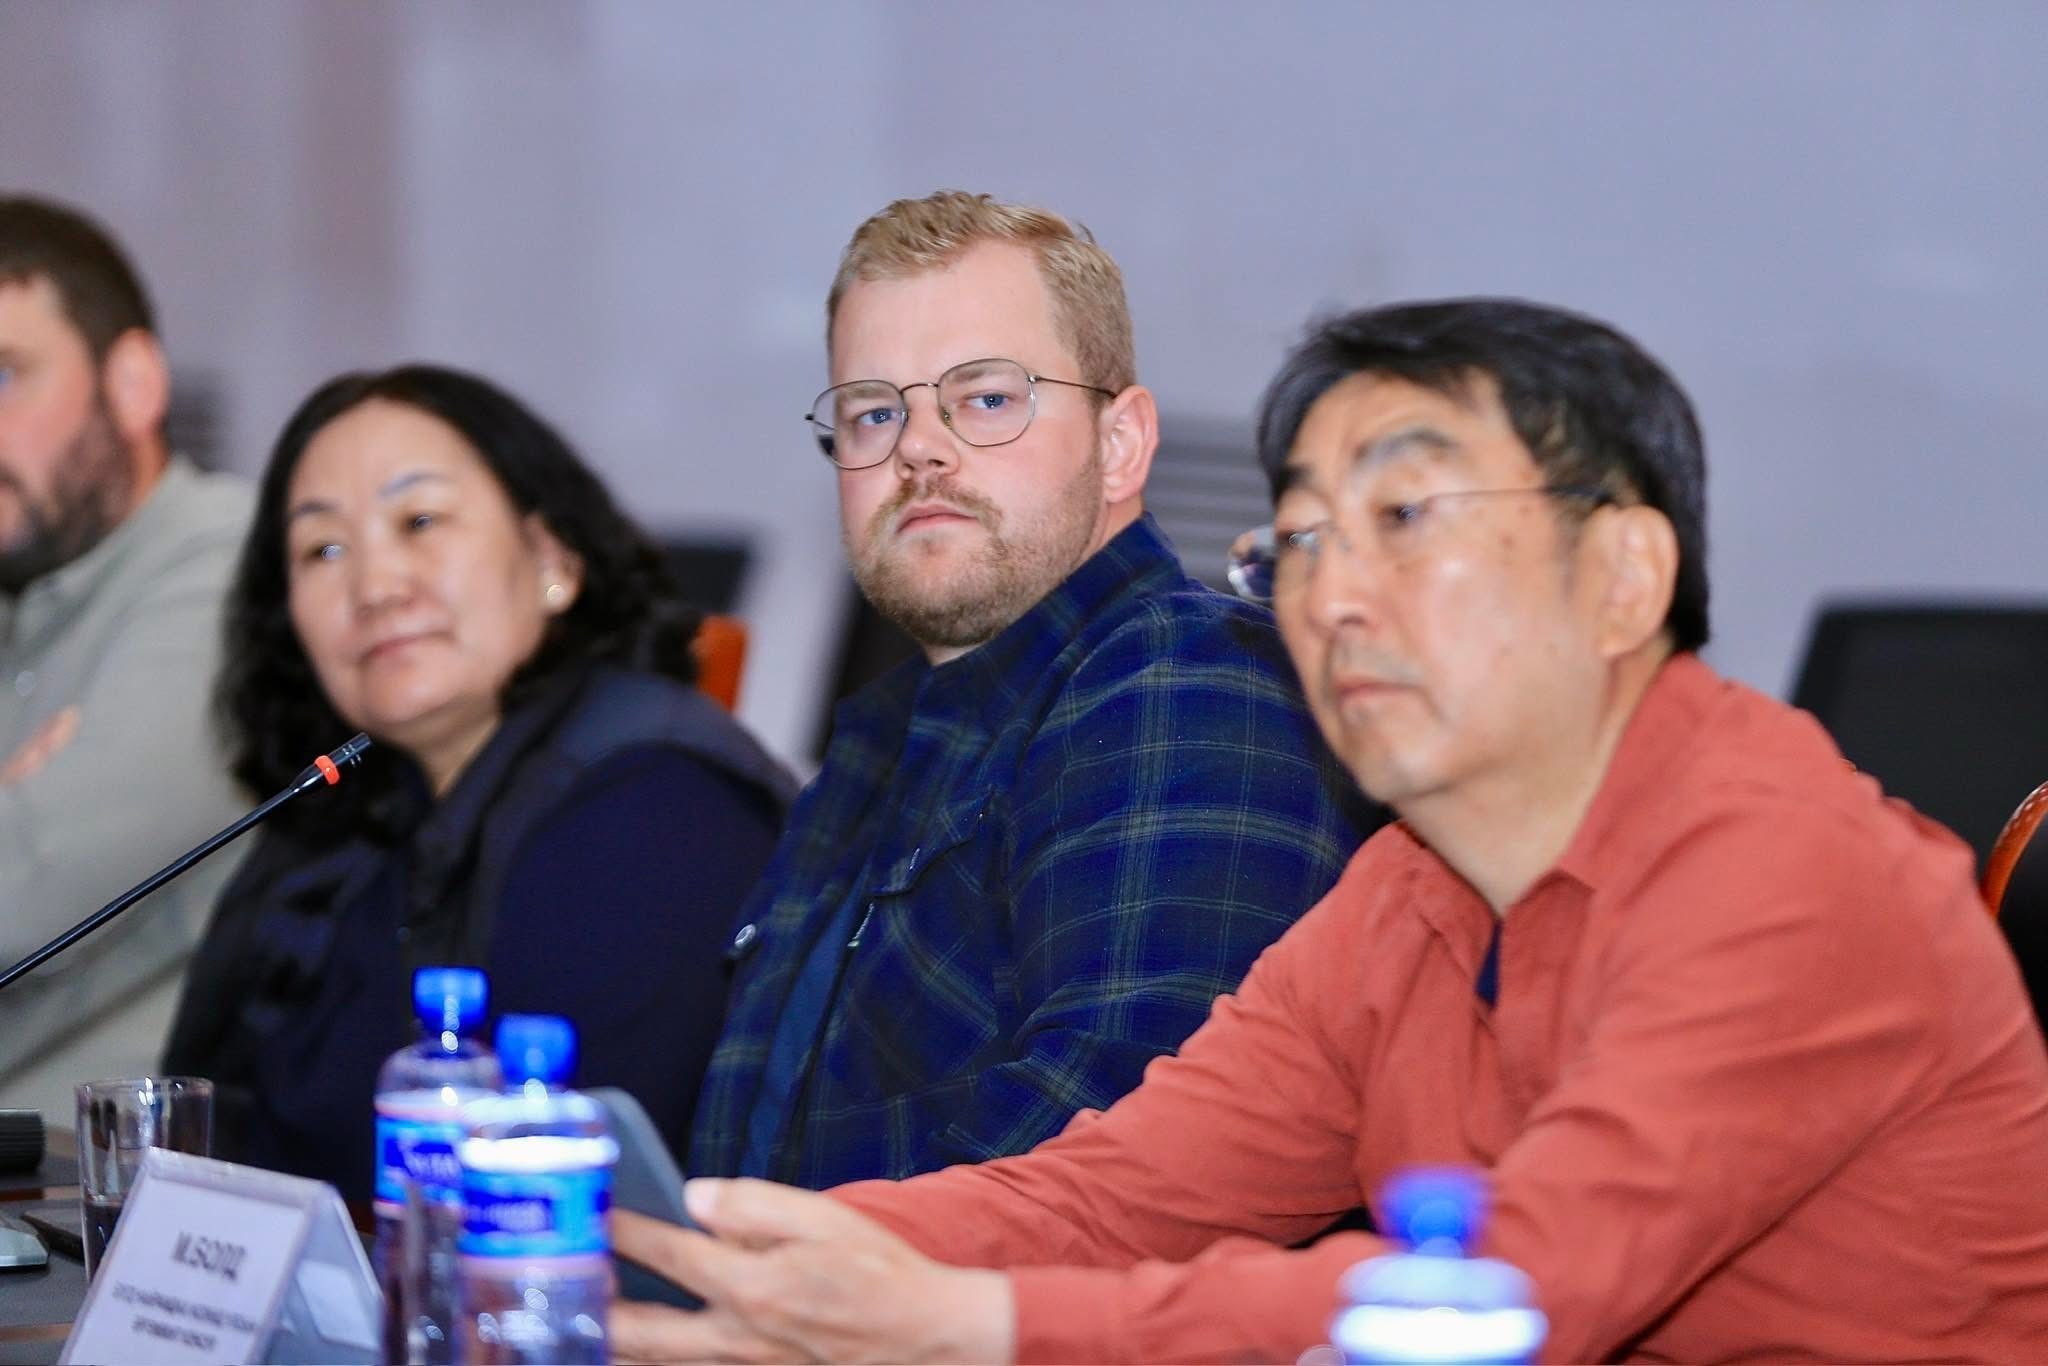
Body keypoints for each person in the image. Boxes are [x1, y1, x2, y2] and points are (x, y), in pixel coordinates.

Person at [611, 299, 2048, 1363]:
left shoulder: (1787, 872)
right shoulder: (1412, 881)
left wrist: (968, 1324)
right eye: (1298, 541)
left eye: (1406, 518)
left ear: (1622, 574)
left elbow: (1506, 1297)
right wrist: (748, 1245)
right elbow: (1124, 1192)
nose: (1334, 598)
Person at [688, 191, 1376, 1189]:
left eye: (985, 398)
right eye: (874, 411)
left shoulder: (1188, 688)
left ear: (1120, 444)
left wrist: (762, 1265)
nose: (917, 447)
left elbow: (1112, 1169)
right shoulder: (882, 745)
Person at [162, 363, 795, 1204]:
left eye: (420, 520)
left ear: (553, 558)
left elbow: (561, 1205)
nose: (375, 586)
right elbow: (202, 1133)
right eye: (324, 549)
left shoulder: (655, 806)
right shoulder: (341, 813)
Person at [0, 195, 253, 1109]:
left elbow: (19, 897)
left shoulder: (233, 567)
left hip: (99, 1175)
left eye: (5, 374)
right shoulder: (27, 581)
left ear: (134, 384)